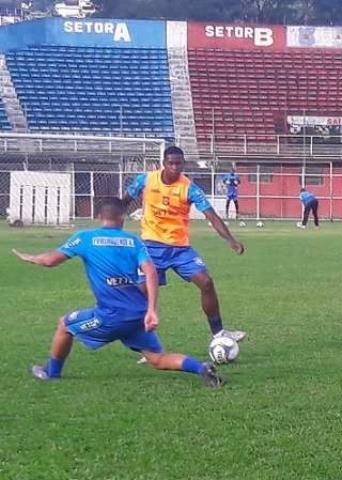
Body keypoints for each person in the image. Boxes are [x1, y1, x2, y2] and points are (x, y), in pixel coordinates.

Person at [13, 198, 224, 387]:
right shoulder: (134, 241)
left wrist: (30, 258)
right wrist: (151, 310)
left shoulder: (85, 238)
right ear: (122, 218)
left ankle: (51, 372)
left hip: (110, 316)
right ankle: (201, 368)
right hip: (138, 316)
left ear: (99, 217)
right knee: (157, 359)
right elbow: (150, 272)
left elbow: (50, 260)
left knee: (65, 325)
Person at [123, 146, 246, 344]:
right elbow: (124, 201)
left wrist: (230, 240)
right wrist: (114, 227)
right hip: (151, 247)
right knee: (142, 294)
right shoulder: (145, 180)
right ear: (163, 163)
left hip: (180, 249)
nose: (174, 167)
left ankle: (219, 333)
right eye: (170, 163)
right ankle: (147, 344)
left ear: (183, 164)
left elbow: (212, 216)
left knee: (206, 283)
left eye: (178, 163)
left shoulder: (190, 188)